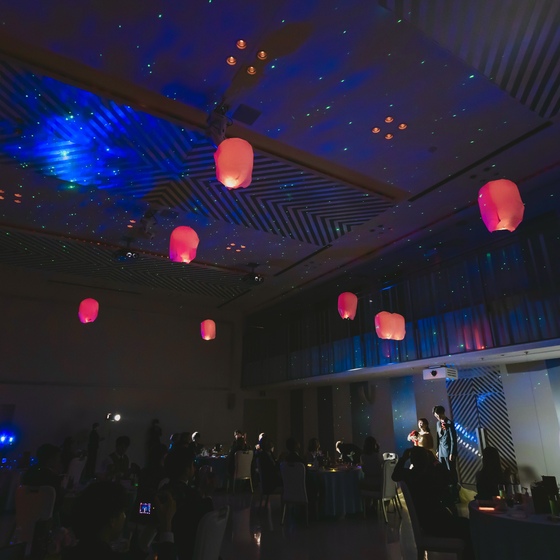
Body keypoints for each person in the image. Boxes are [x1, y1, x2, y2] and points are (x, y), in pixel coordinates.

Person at [392, 447, 473, 559]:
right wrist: (436, 462)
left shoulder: (410, 476)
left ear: (412, 460)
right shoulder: (430, 476)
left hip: (428, 523)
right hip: (439, 523)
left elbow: (395, 475)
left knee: (467, 525)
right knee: (470, 527)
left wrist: (403, 458)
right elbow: (451, 479)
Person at [62, 481, 177, 560]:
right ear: (112, 520)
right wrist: (166, 526)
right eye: (123, 512)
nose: (125, 517)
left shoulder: (68, 554)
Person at [162, 446, 213, 560]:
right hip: (187, 549)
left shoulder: (164, 490)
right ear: (186, 469)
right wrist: (208, 495)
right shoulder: (191, 495)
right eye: (192, 465)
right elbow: (208, 520)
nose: (194, 468)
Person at [22, 443, 65, 514]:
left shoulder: (29, 473)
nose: (59, 460)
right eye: (58, 457)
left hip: (27, 512)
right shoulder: (52, 477)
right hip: (47, 515)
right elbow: (57, 502)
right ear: (51, 459)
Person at [432, 405, 458, 482]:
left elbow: (453, 439)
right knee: (442, 469)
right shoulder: (438, 423)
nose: (437, 417)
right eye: (436, 416)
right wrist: (437, 450)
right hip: (441, 450)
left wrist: (452, 452)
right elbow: (438, 437)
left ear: (442, 413)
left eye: (438, 415)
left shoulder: (449, 423)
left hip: (448, 450)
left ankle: (454, 484)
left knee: (451, 469)